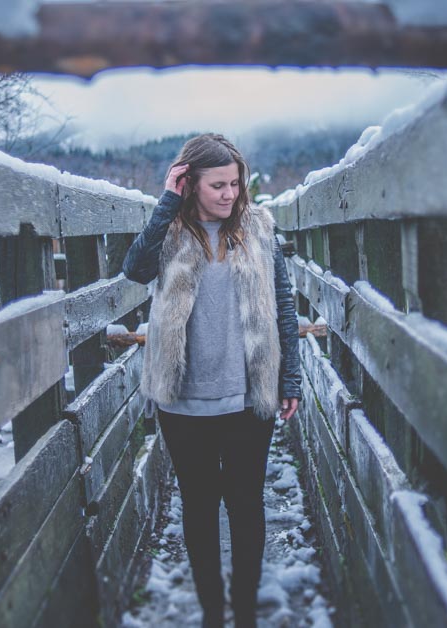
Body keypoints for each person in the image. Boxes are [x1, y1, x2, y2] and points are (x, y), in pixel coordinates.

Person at [122, 133, 301, 628]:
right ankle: (211, 615)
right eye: (217, 185)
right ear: (190, 184)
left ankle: (243, 612)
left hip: (248, 396)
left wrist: (291, 378)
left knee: (246, 504)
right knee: (198, 507)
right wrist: (165, 202)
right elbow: (134, 270)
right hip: (184, 401)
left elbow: (283, 303)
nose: (228, 193)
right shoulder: (170, 230)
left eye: (234, 184)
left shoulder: (259, 228)